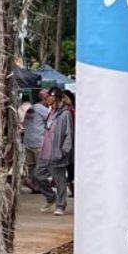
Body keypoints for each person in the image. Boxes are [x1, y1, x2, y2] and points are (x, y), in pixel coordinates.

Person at [34, 87, 74, 216]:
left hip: (57, 152)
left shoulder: (65, 114)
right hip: (46, 151)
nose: (47, 99)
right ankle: (51, 197)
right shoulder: (51, 112)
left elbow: (69, 134)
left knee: (59, 180)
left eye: (49, 97)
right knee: (37, 175)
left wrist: (64, 151)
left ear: (56, 98)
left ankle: (60, 205)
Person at [19, 91, 48, 193]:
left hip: (28, 141)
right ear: (44, 98)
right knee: (40, 165)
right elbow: (52, 121)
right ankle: (32, 182)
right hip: (38, 141)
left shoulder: (31, 108)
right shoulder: (43, 109)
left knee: (31, 166)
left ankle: (34, 186)